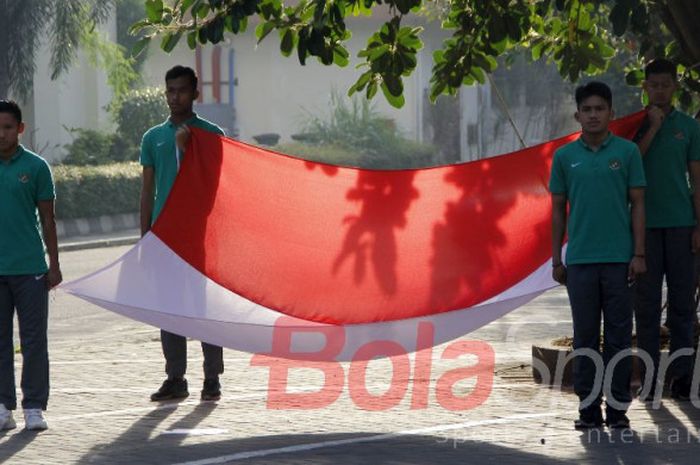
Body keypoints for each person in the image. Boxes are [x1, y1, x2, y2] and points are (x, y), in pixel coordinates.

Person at [550, 82, 646, 429]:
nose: (593, 115)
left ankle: (618, 409)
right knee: (586, 335)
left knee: (620, 336)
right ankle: (588, 408)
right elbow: (558, 211)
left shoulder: (627, 153)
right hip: (579, 262)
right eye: (587, 109)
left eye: (599, 109)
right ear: (577, 115)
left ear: (611, 114)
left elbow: (638, 205)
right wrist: (556, 260)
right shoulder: (564, 157)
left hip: (621, 260)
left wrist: (638, 253)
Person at [140, 66, 226, 402]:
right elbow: (148, 191)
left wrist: (190, 150)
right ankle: (176, 377)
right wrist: (145, 235)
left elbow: (216, 183)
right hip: (165, 236)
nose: (175, 97)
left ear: (195, 93)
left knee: (204, 309)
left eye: (182, 91)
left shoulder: (211, 134)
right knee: (170, 308)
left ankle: (212, 377)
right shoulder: (152, 137)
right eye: (170, 91)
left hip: (201, 235)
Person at [633, 58, 700, 401]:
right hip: (643, 230)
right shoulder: (633, 126)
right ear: (644, 87)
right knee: (644, 307)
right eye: (653, 84)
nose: (659, 90)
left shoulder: (689, 127)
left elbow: (697, 178)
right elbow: (631, 162)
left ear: (675, 86)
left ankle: (681, 378)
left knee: (682, 307)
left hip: (681, 225)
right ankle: (648, 377)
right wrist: (652, 127)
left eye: (665, 84)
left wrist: (698, 225)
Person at [0, 100, 62, 431]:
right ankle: (3, 406)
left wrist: (54, 265)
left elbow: (48, 221)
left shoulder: (37, 168)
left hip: (30, 269)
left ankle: (34, 406)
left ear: (20, 129)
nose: (2, 134)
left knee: (34, 340)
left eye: (8, 127)